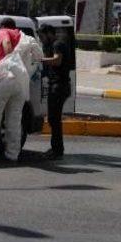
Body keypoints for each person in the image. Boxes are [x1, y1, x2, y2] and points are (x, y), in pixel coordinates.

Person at [0, 18, 42, 163]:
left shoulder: (4, 31)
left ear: (3, 26)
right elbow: (39, 57)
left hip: (5, 77)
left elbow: (6, 44)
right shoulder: (27, 38)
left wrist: (10, 60)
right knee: (14, 119)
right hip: (20, 82)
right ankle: (12, 154)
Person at [38, 24, 72, 160]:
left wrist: (39, 60)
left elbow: (57, 61)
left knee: (54, 119)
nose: (42, 39)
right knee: (54, 119)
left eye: (42, 36)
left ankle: (57, 150)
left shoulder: (58, 44)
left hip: (59, 86)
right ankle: (56, 148)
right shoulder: (56, 44)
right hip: (59, 85)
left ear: (49, 33)